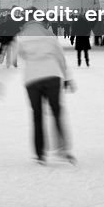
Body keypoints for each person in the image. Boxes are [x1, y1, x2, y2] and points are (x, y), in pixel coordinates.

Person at [16, 16, 76, 164]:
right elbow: (61, 58)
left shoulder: (21, 38)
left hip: (32, 79)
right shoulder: (49, 37)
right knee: (56, 111)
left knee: (37, 116)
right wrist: (67, 77)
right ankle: (62, 149)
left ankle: (40, 153)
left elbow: (11, 58)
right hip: (52, 76)